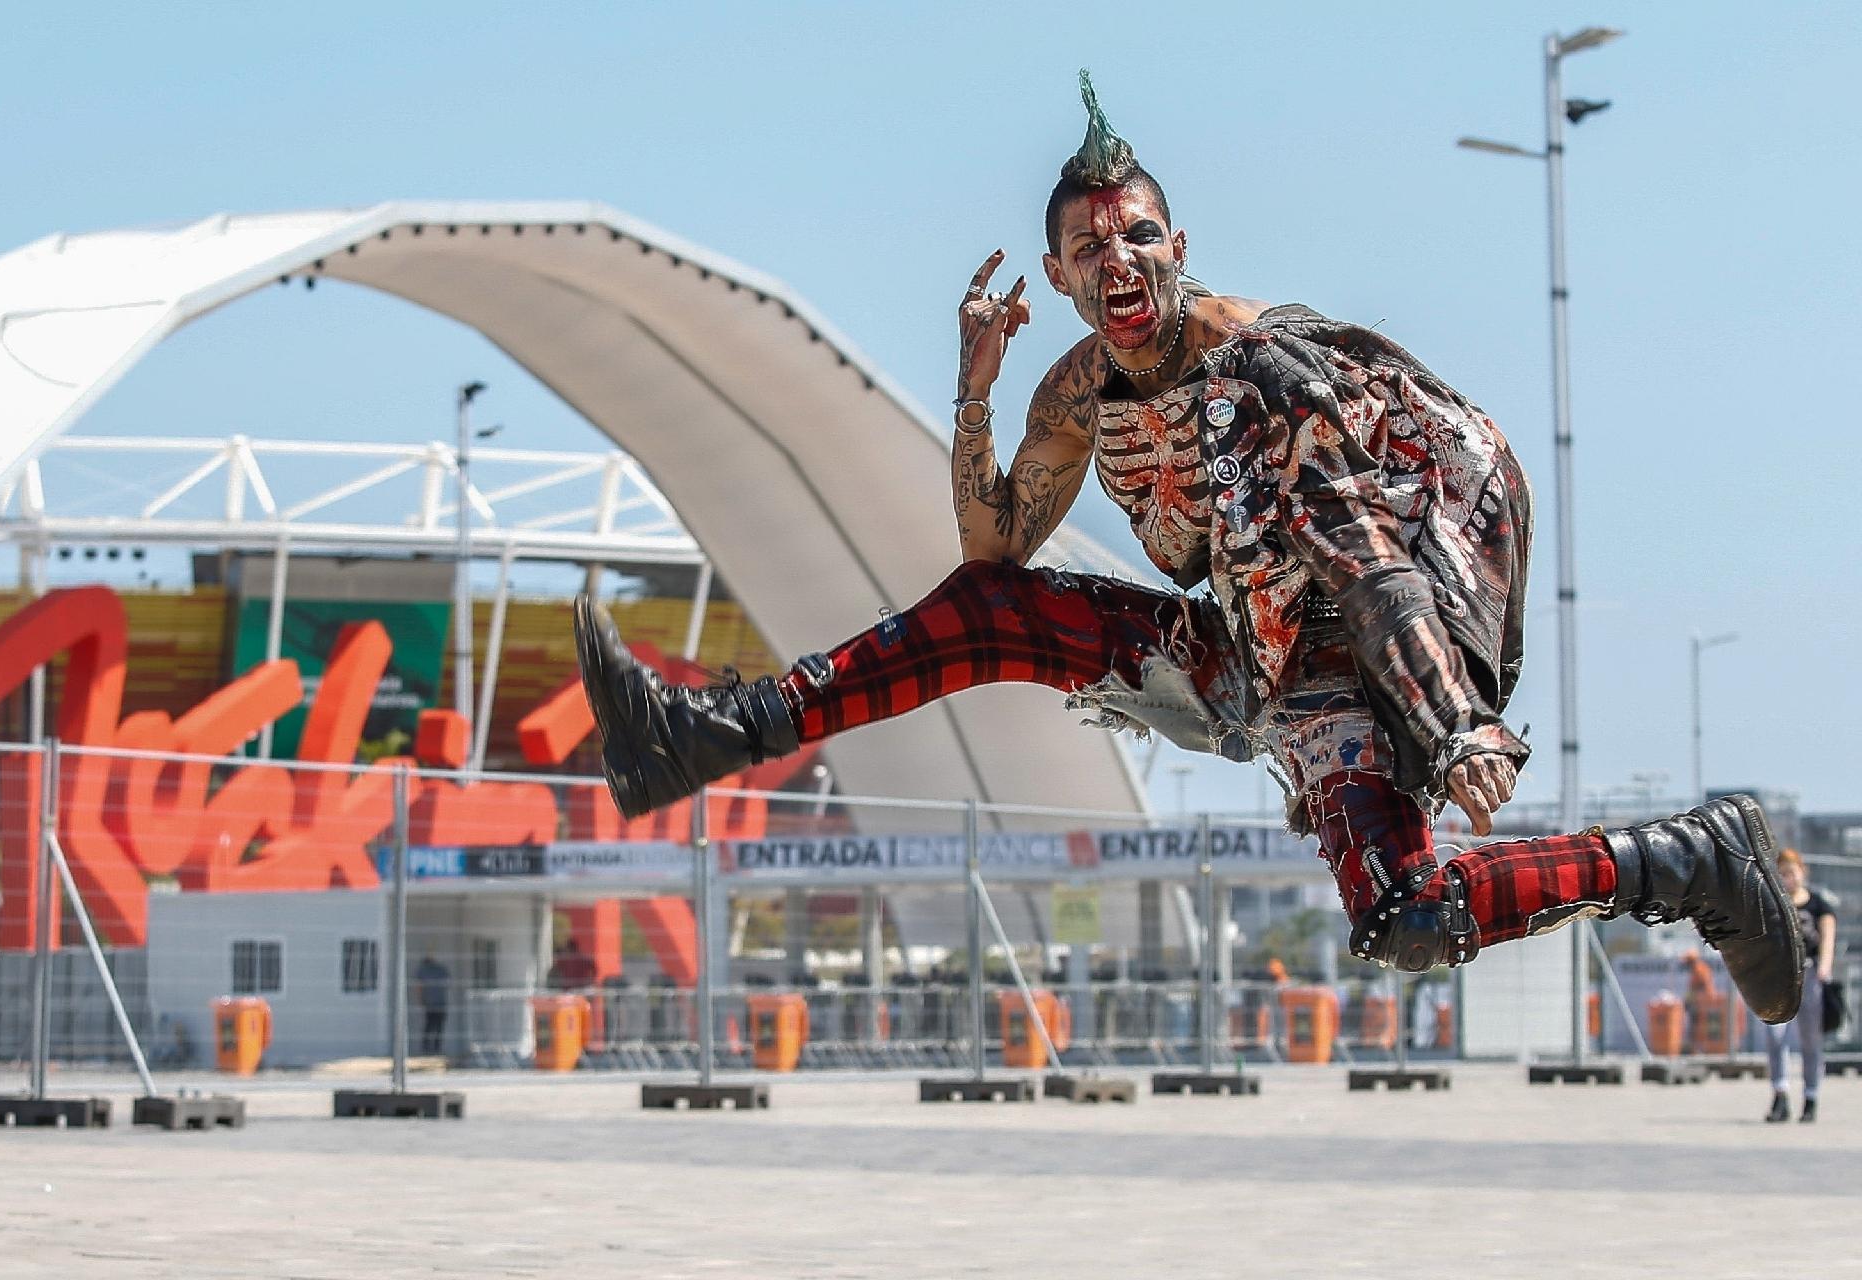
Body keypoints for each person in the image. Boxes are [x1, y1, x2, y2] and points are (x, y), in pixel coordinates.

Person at [572, 73, 1804, 1025]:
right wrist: (973, 394)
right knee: (995, 610)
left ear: (1178, 242)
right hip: (1253, 648)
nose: (1124, 262)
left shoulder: (1259, 373)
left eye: (1143, 237)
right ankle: (711, 730)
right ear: (1058, 274)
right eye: (1095, 248)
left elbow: (1361, 547)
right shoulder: (1073, 392)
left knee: (1407, 915)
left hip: (1386, 632)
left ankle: (1687, 858)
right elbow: (993, 551)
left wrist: (1449, 722)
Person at [1760, 849, 1836, 1122]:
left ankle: (1811, 1096)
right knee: (1774, 1036)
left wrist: (1825, 968)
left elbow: (1827, 937)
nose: (1788, 878)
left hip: (1810, 975)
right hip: (1779, 978)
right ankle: (1780, 1094)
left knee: (1810, 1040)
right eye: (1782, 873)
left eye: (1792, 872)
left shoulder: (1818, 905)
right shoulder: (1773, 905)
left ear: (1803, 872)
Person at [414, 953, 451, 1056]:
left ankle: (427, 1049)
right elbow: (447, 984)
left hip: (430, 1003)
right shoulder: (441, 970)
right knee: (438, 1027)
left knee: (429, 1026)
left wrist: (421, 1001)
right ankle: (436, 1049)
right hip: (440, 1003)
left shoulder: (423, 971)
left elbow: (419, 987)